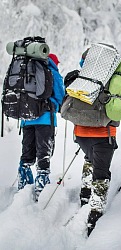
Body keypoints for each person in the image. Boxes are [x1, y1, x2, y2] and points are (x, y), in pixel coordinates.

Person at [65, 52, 121, 236]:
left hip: (80, 133)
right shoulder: (117, 83)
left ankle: (85, 195)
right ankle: (95, 213)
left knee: (89, 159)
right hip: (104, 135)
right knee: (101, 174)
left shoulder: (85, 77)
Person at [17, 53, 65, 201]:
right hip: (45, 119)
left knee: (27, 152)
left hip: (26, 118)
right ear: (53, 62)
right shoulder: (52, 72)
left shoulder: (26, 71)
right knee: (43, 153)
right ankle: (41, 189)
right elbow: (60, 96)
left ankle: (23, 185)